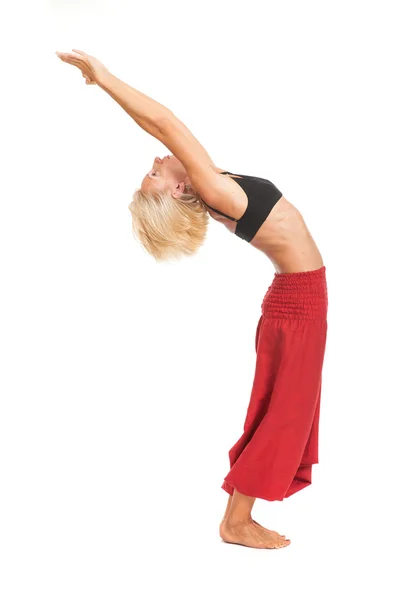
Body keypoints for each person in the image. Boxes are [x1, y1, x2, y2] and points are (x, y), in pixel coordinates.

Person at [56, 49, 328, 550]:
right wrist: (106, 76)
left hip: (295, 298)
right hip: (300, 302)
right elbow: (163, 123)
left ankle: (237, 518)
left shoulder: (212, 184)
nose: (155, 160)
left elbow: (156, 127)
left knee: (283, 408)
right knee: (286, 412)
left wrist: (104, 87)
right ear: (181, 190)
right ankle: (236, 522)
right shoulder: (212, 188)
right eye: (154, 175)